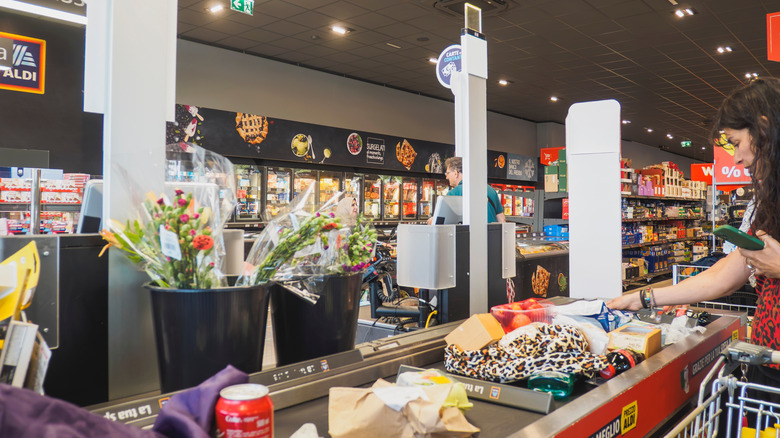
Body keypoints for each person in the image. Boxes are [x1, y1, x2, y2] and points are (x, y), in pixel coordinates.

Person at [608, 77, 780, 403]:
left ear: (764, 128)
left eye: (736, 142)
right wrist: (642, 298)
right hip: (767, 363)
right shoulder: (768, 205)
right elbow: (723, 275)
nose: (736, 158)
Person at [427, 157, 506, 224]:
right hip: (492, 236)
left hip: (470, 236)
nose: (446, 177)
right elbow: (502, 220)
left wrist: (432, 221)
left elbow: (443, 222)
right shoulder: (491, 190)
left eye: (447, 173)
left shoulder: (454, 193)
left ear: (455, 173)